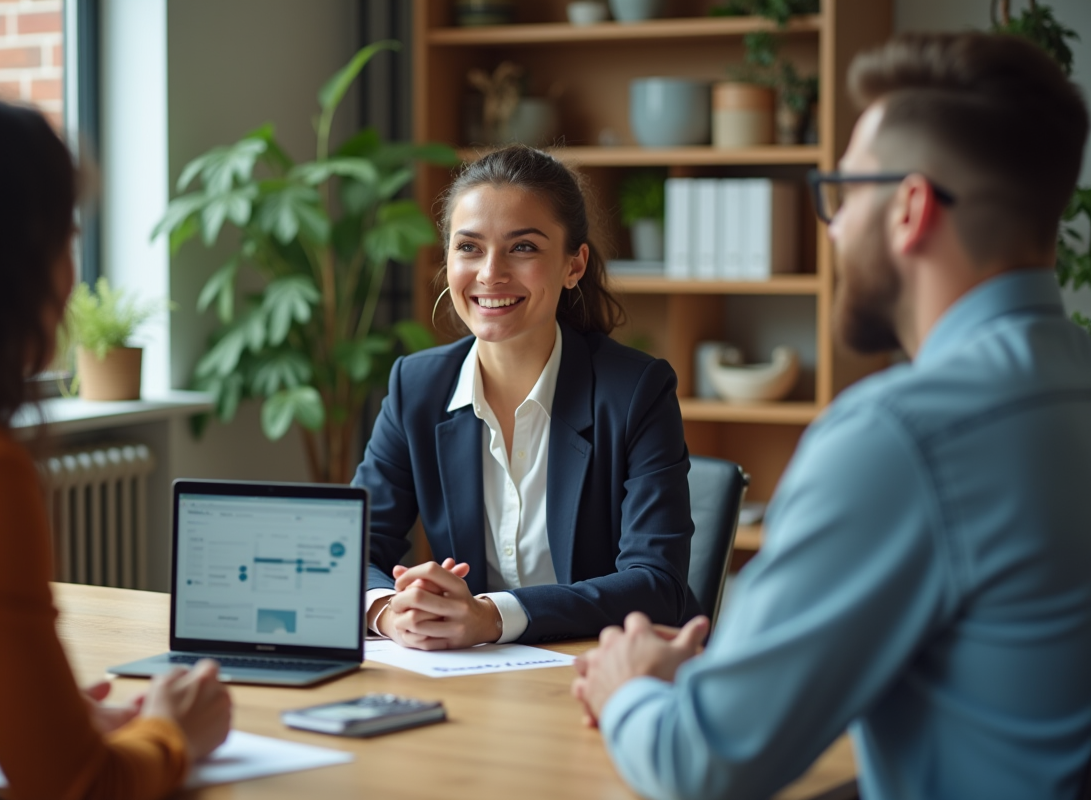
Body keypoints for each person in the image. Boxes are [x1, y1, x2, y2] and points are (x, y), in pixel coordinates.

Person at [571, 32, 1091, 800]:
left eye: (843, 194)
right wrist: (732, 680)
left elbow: (700, 766)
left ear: (910, 209)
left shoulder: (897, 439)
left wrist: (625, 686)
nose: (833, 227)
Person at [0, 87, 232, 799]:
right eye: (65, 238)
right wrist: (171, 731)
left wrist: (16, 713)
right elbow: (77, 785)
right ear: (11, 261)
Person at [353, 145, 699, 650]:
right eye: (469, 247)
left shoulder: (635, 391)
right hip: (471, 676)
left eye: (523, 248)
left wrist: (492, 615)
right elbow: (349, 550)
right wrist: (390, 610)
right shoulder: (417, 387)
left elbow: (658, 583)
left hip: (601, 668)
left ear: (573, 265)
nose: (490, 273)